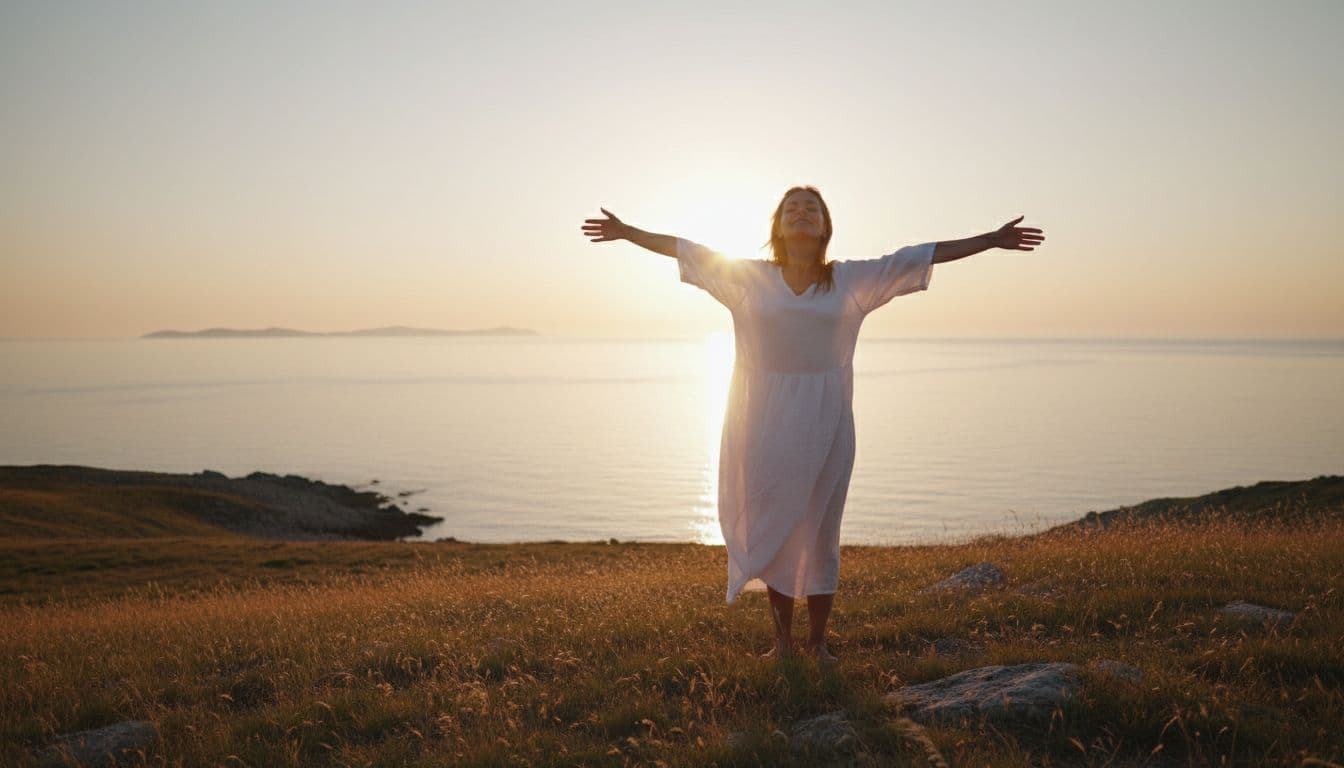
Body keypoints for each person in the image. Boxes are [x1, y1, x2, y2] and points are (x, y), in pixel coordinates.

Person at [580, 186, 1044, 663]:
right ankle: (781, 644)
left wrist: (990, 239)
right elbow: (684, 249)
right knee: (774, 524)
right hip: (763, 418)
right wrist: (627, 232)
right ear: (778, 227)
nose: (801, 214)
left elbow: (919, 256)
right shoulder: (747, 279)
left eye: (812, 209)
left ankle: (818, 644)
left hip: (827, 418)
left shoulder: (851, 281)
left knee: (821, 528)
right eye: (791, 209)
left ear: (825, 226)